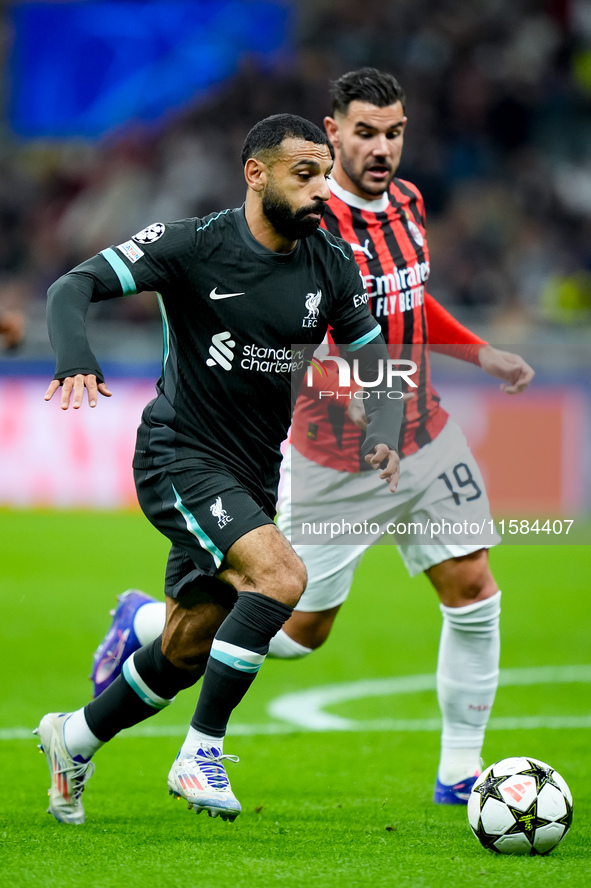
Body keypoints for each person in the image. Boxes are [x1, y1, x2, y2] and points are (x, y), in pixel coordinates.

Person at [89, 69, 534, 807]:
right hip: (337, 446)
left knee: (472, 587)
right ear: (330, 133)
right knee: (297, 629)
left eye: (394, 132)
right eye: (365, 132)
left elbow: (408, 298)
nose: (382, 147)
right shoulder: (308, 229)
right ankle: (141, 619)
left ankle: (459, 773)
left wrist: (475, 351)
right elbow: (287, 345)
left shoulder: (411, 204)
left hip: (421, 428)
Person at [36, 112, 404, 826]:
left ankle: (72, 736)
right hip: (179, 454)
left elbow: (372, 358)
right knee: (281, 580)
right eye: (306, 175)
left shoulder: (329, 262)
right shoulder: (193, 245)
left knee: (190, 644)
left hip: (250, 471)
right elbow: (69, 287)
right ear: (255, 174)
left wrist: (382, 425)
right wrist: (76, 355)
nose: (322, 190)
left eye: (326, 175)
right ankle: (200, 752)